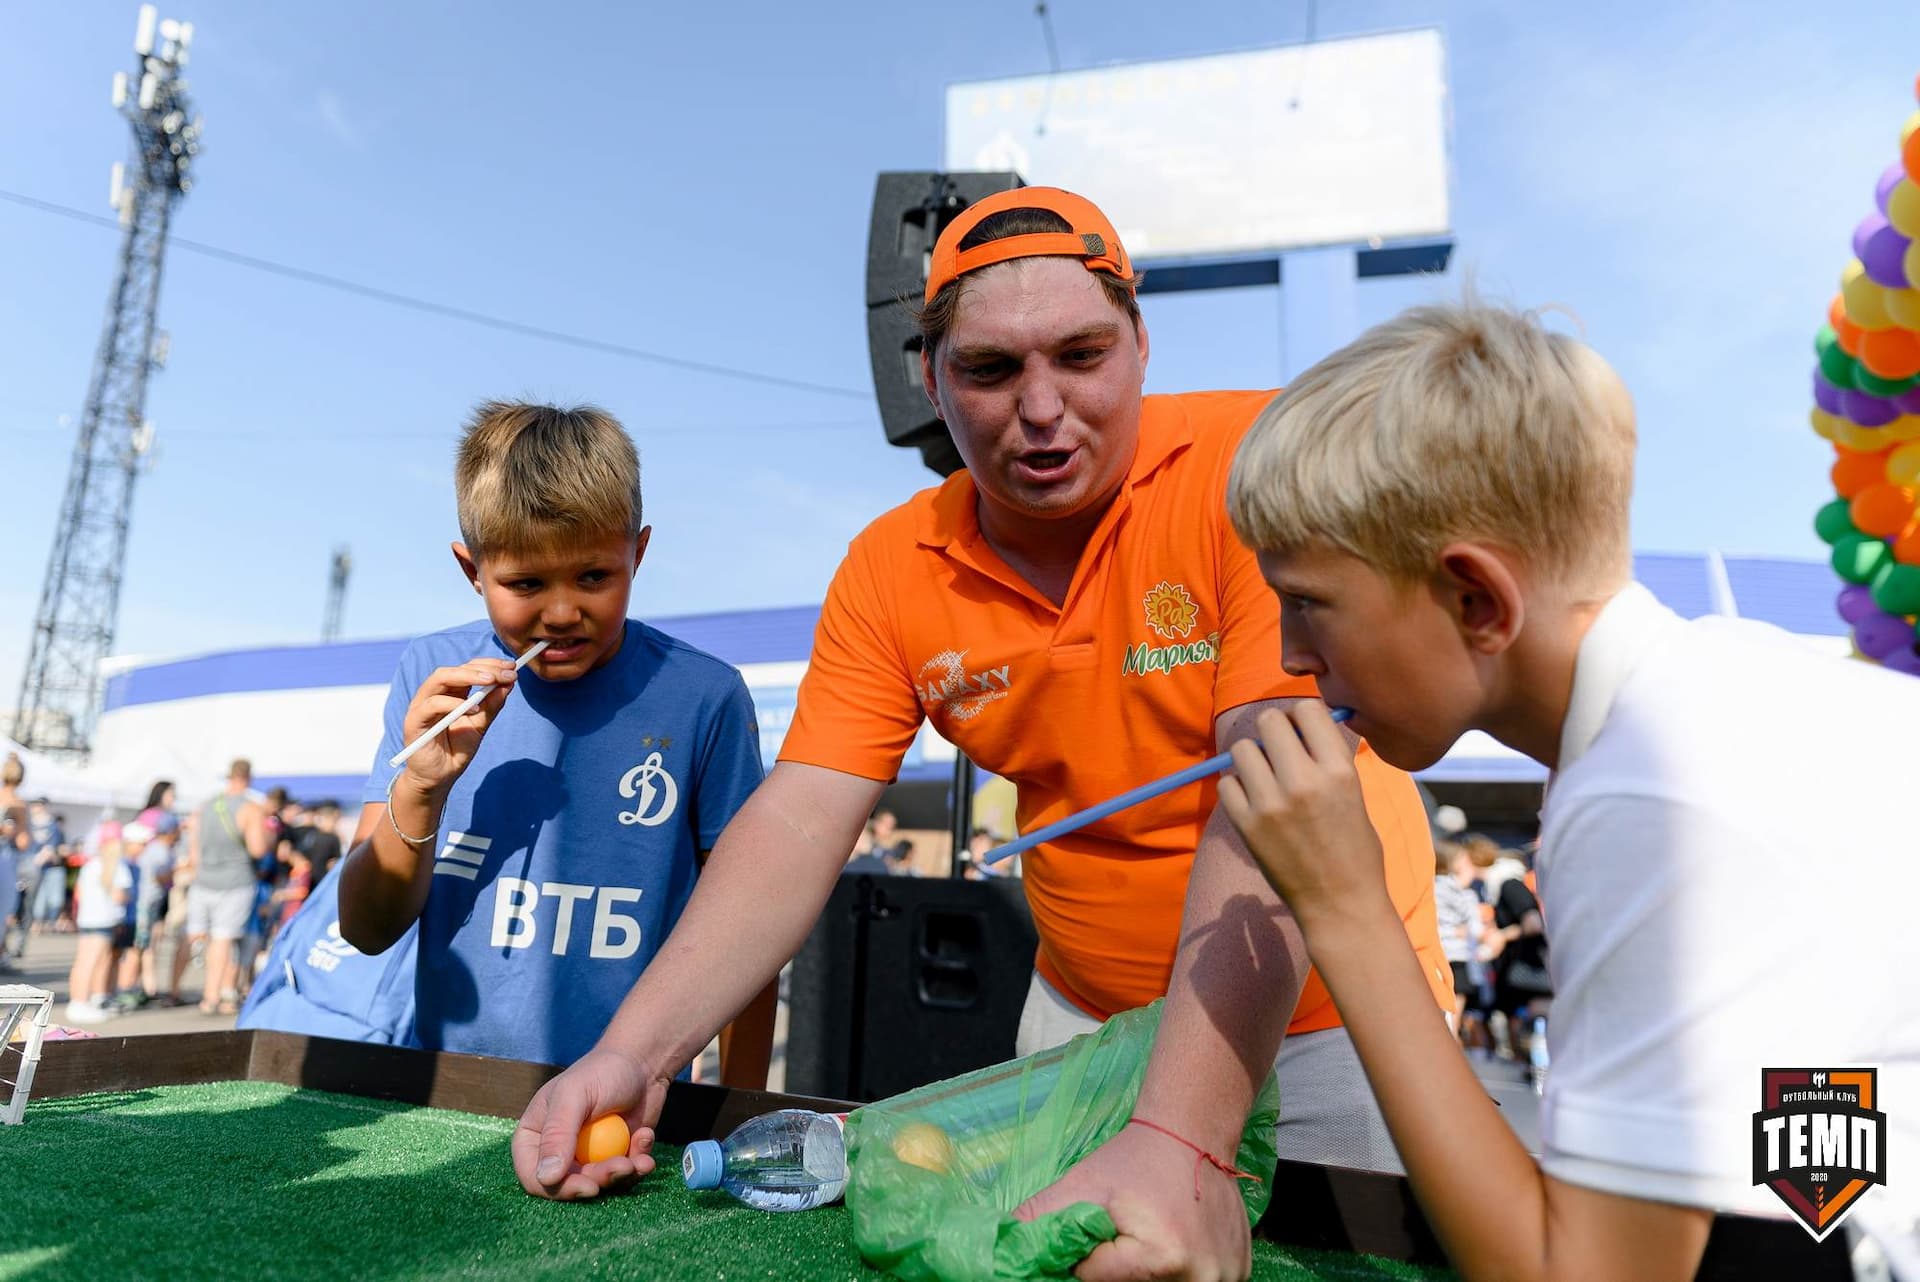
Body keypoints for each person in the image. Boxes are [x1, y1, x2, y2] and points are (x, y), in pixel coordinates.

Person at [509, 189, 1451, 1233]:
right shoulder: (889, 567)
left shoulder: (1259, 464)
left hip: (1331, 1030)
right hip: (1076, 1031)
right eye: (991, 370)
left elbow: (1273, 790)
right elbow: (798, 818)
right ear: (931, 376)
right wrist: (632, 1053)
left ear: (1142, 343)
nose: (1040, 408)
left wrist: (1181, 1135)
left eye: (1081, 355)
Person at [1215, 298, 1920, 1279]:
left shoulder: (1649, 792)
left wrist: (1345, 909)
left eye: (1308, 603)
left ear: (1476, 598)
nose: (1292, 656)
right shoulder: (1724, 683)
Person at [336, 401, 766, 1070]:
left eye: (594, 576)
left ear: (639, 553)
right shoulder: (433, 678)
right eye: (526, 583)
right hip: (447, 1098)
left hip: (630, 1108)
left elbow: (749, 931)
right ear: (471, 569)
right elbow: (365, 929)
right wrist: (420, 786)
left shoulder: (704, 698)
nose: (563, 612)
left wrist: (741, 1103)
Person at [188, 759, 269, 1015]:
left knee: (207, 938)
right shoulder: (251, 808)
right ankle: (214, 995)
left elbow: (194, 850)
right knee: (224, 940)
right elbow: (258, 848)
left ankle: (217, 992)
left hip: (204, 880)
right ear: (248, 777)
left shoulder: (206, 806)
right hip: (235, 881)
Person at [67, 821, 133, 1022]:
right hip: (103, 919)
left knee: (90, 961)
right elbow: (120, 896)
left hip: (89, 918)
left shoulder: (92, 864)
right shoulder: (115, 866)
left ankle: (91, 998)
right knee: (91, 961)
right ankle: (80, 1002)